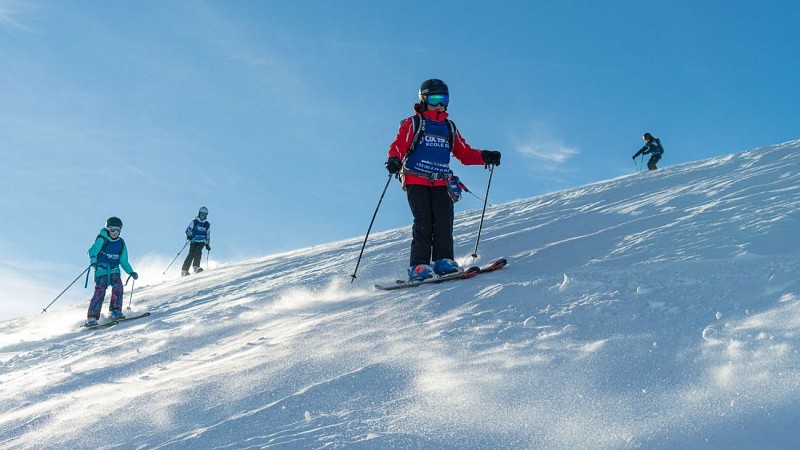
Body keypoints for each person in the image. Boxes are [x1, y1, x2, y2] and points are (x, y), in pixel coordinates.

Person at [386, 78, 502, 281]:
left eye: (443, 98)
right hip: (416, 179)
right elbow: (399, 145)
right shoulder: (414, 123)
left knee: (444, 220)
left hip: (440, 181)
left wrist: (485, 156)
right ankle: (419, 266)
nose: (439, 103)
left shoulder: (449, 127)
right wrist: (394, 159)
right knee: (424, 220)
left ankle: (443, 261)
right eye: (434, 98)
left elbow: (464, 154)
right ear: (424, 100)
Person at [85, 217, 138, 326]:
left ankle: (115, 311)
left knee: (118, 287)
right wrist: (93, 258)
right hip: (101, 270)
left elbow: (123, 261)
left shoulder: (121, 243)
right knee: (100, 290)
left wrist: (131, 272)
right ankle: (92, 317)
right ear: (107, 229)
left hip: (114, 270)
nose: (115, 233)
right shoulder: (102, 239)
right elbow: (92, 250)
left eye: (118, 230)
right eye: (113, 230)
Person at [181, 206, 211, 276]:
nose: (203, 216)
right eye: (202, 214)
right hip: (194, 240)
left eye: (205, 215)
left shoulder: (207, 224)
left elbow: (208, 235)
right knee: (191, 254)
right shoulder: (195, 221)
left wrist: (207, 244)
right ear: (199, 214)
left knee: (198, 251)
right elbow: (188, 230)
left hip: (202, 241)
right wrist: (189, 235)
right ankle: (184, 270)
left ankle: (196, 267)